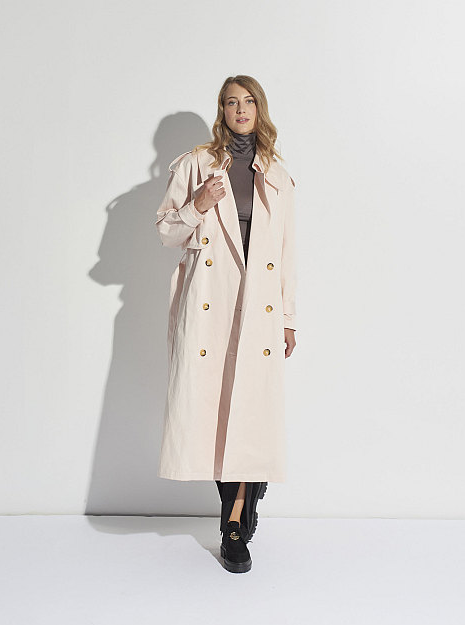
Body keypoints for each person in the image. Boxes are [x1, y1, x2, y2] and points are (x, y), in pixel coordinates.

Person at [155, 75, 298, 573]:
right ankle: (240, 511)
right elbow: (166, 232)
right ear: (222, 110)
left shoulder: (277, 174)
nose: (241, 109)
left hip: (259, 305)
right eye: (232, 102)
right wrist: (198, 204)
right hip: (210, 302)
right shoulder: (196, 164)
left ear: (260, 109)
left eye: (249, 101)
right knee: (219, 410)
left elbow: (287, 253)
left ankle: (234, 522)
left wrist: (288, 318)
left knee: (251, 411)